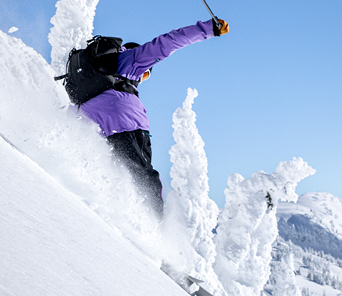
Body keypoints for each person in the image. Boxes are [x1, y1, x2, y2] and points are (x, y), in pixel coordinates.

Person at [75, 18, 229, 215]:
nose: (145, 76)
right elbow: (168, 41)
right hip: (125, 126)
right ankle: (154, 232)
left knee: (119, 175)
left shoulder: (93, 79)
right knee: (146, 180)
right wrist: (208, 29)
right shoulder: (132, 59)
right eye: (147, 72)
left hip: (96, 130)